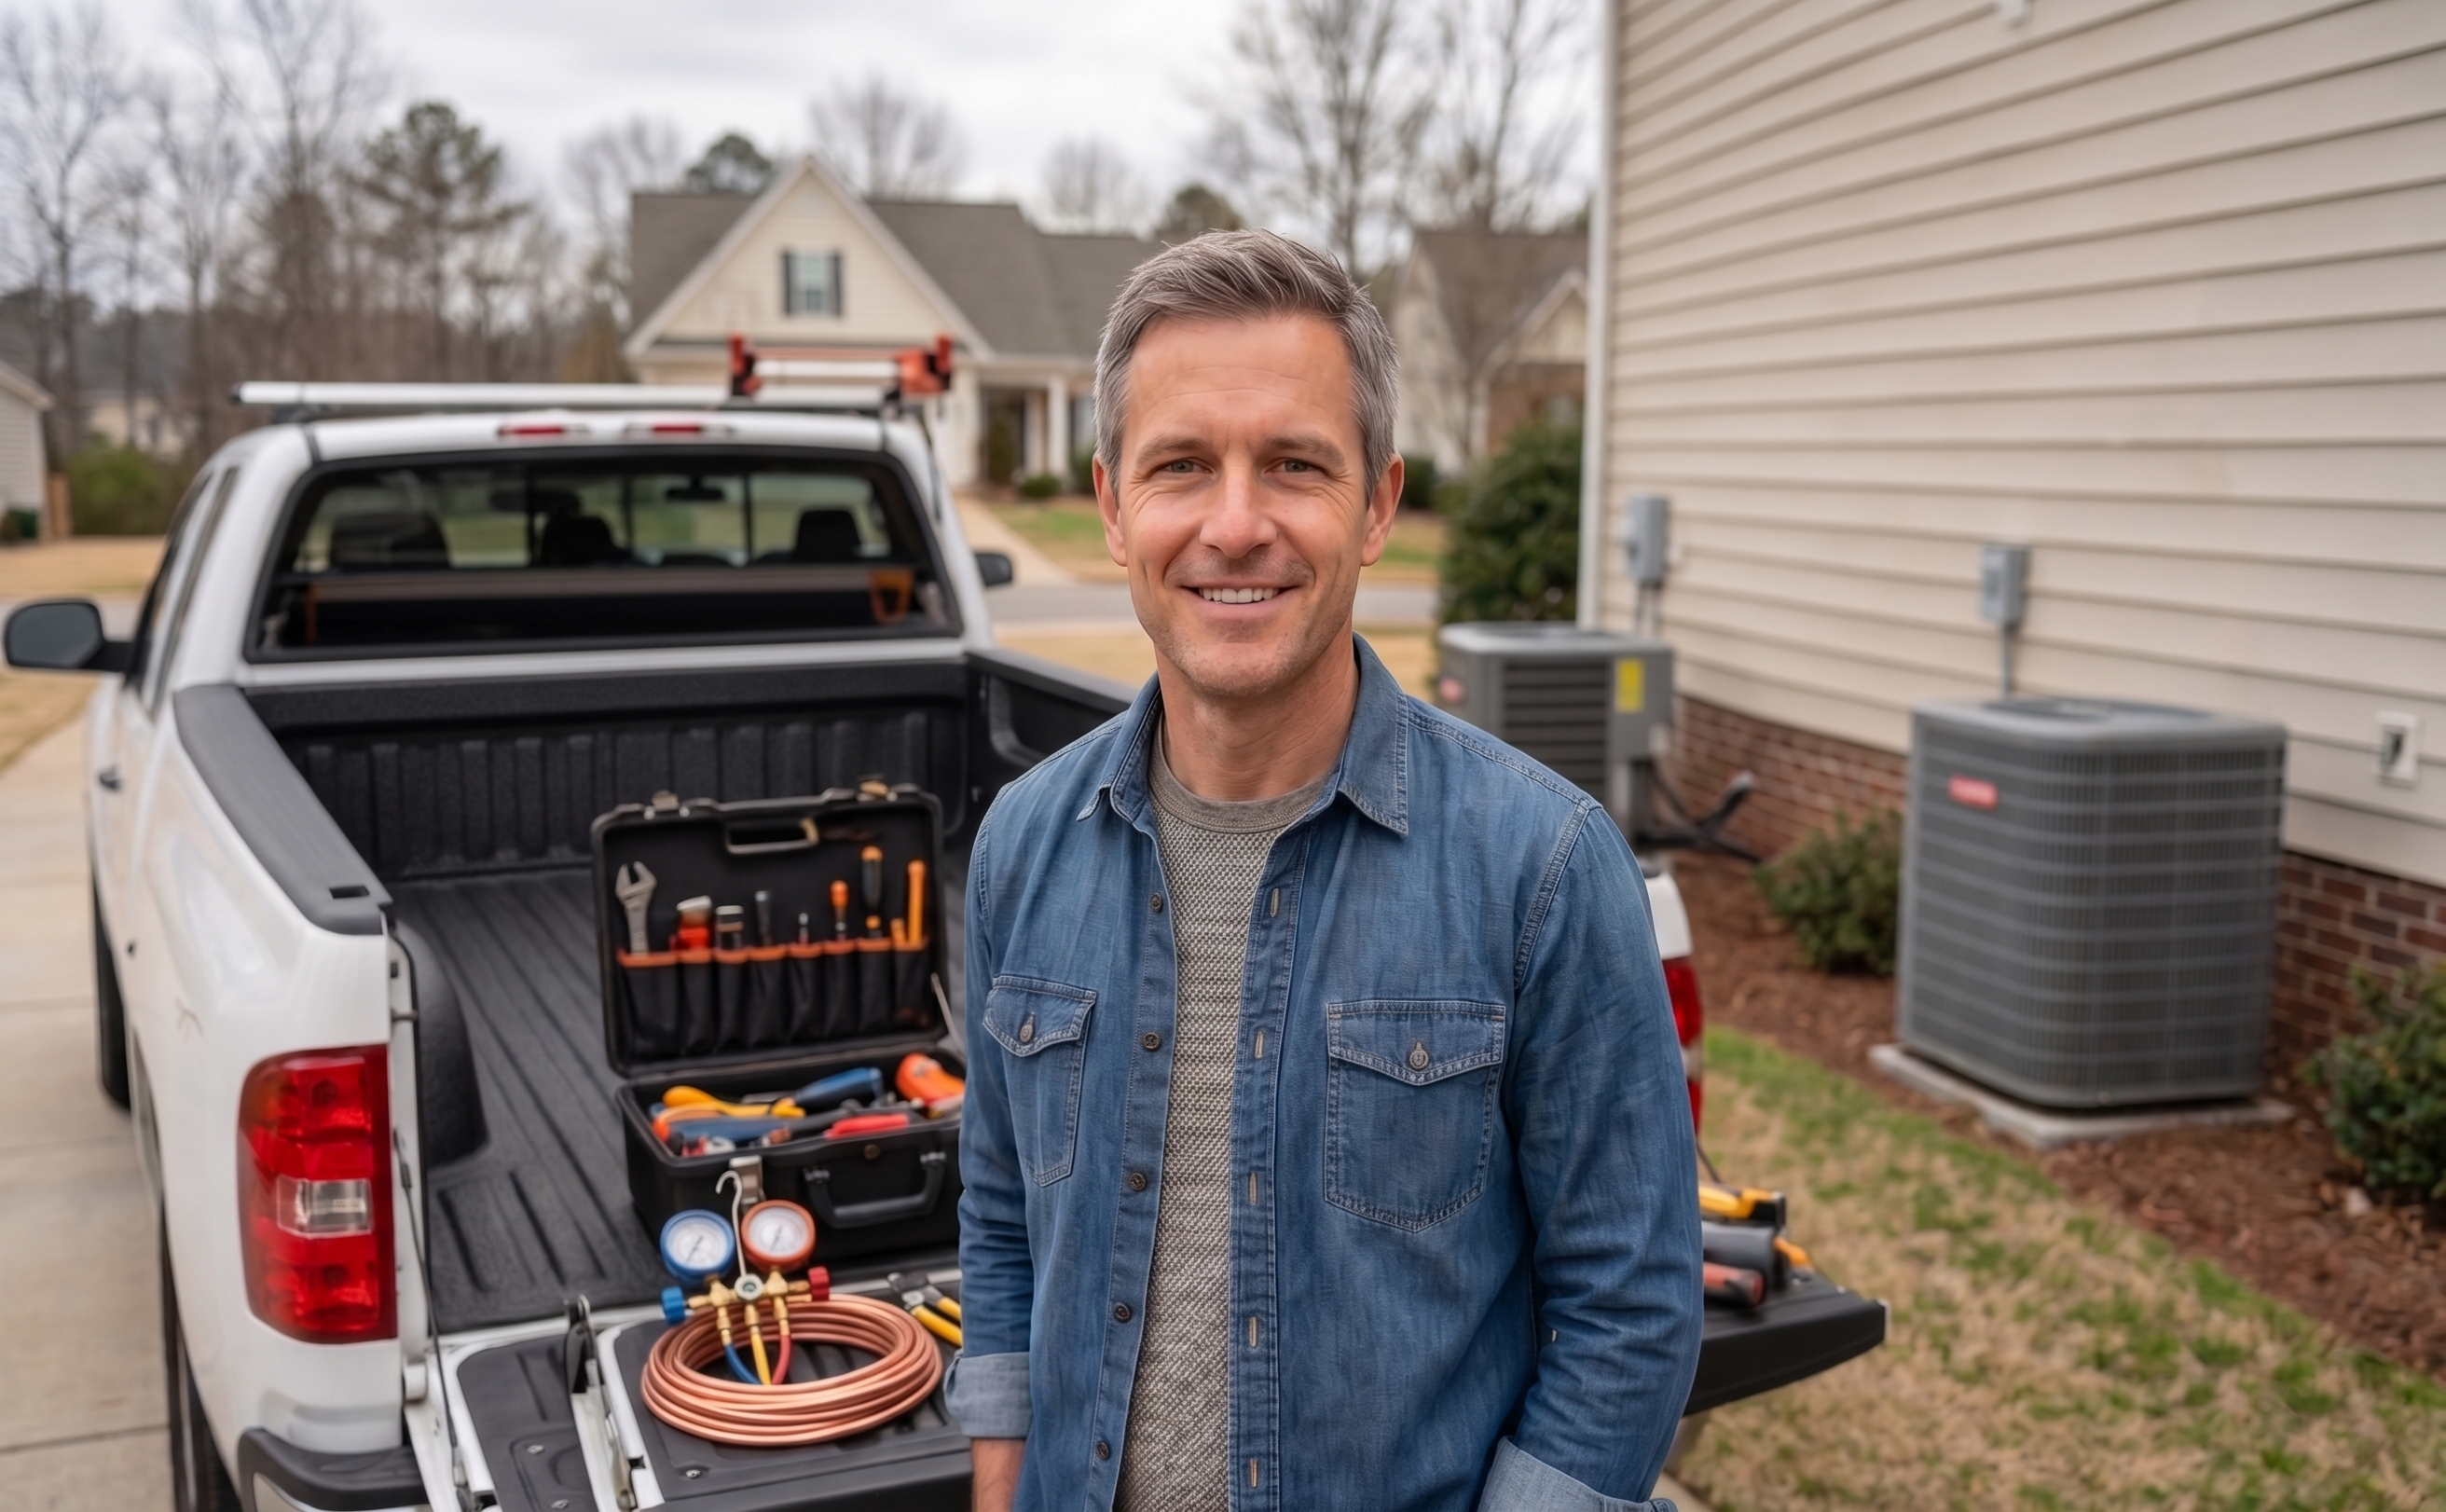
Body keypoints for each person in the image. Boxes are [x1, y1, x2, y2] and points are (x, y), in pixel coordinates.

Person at [949, 229, 1700, 1512]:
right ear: (1115, 503)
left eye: (1295, 465)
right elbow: (1006, 1208)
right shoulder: (1024, 841)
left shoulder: (1545, 869)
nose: (1236, 526)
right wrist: (1004, 1473)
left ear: (1378, 502)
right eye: (1183, 465)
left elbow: (1628, 1307)